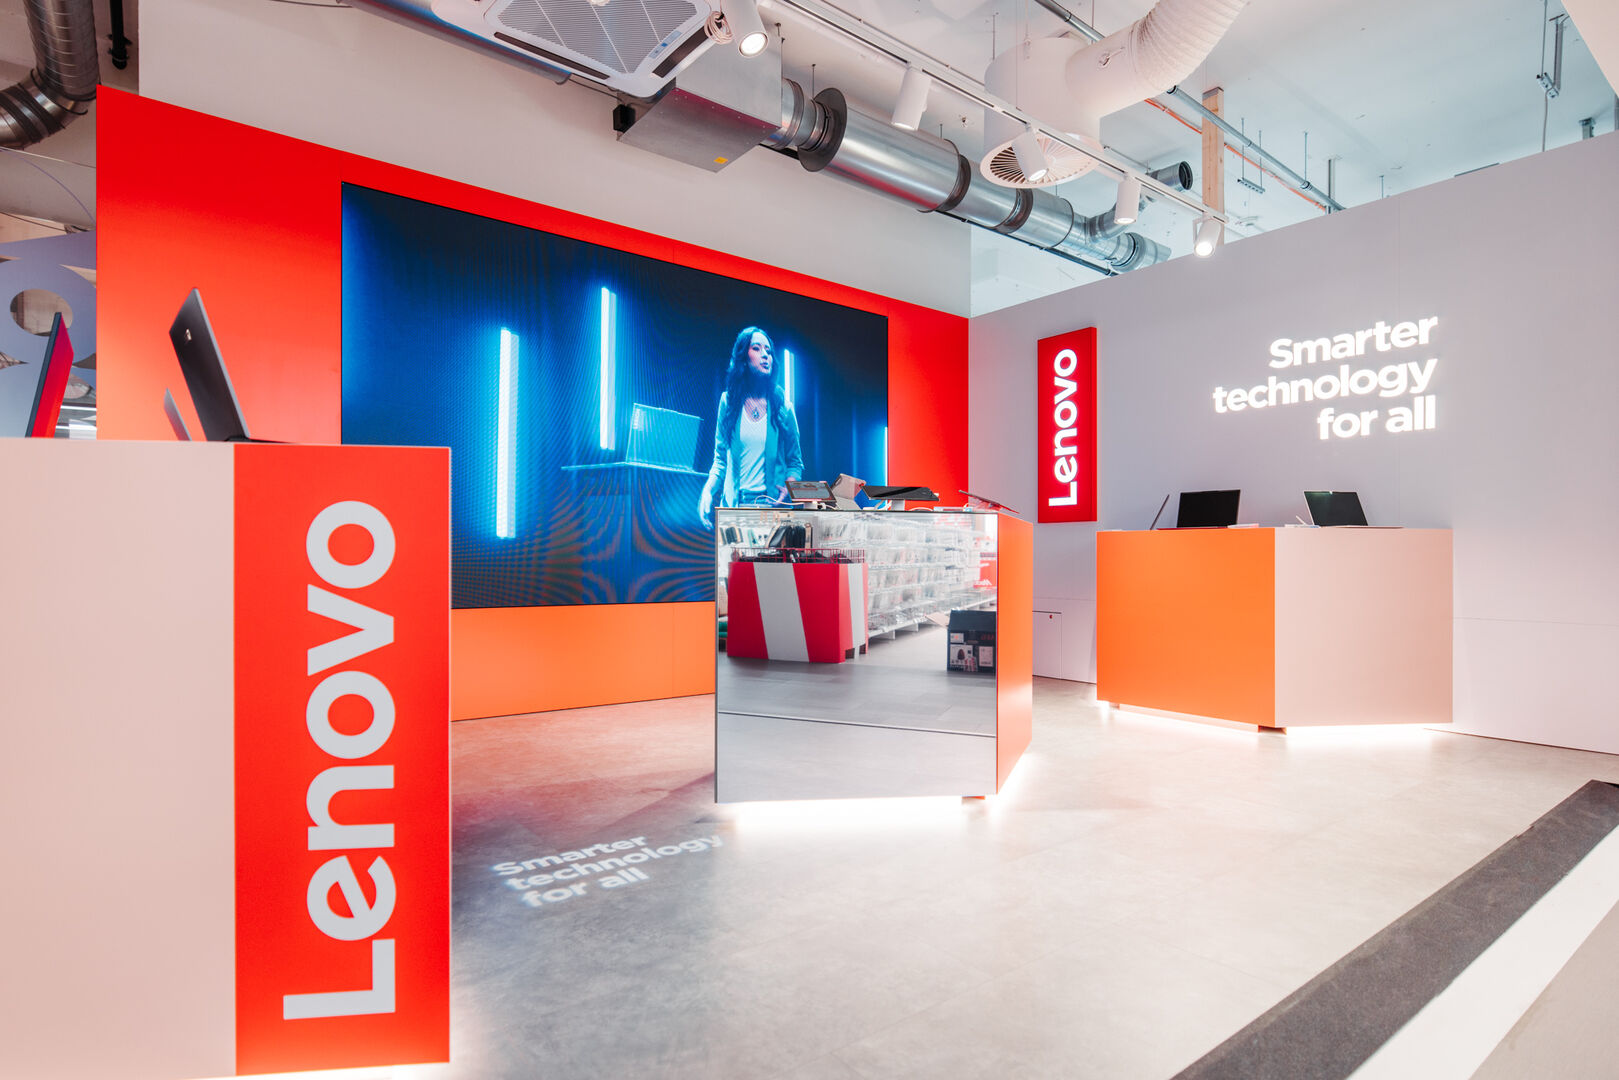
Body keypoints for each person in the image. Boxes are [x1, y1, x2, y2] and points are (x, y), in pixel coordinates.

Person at [699, 326, 803, 528]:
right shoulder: (728, 402)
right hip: (735, 509)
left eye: (768, 351)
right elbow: (720, 460)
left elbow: (795, 462)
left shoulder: (783, 406)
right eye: (756, 348)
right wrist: (707, 491)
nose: (765, 355)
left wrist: (789, 485)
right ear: (743, 358)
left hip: (773, 511)